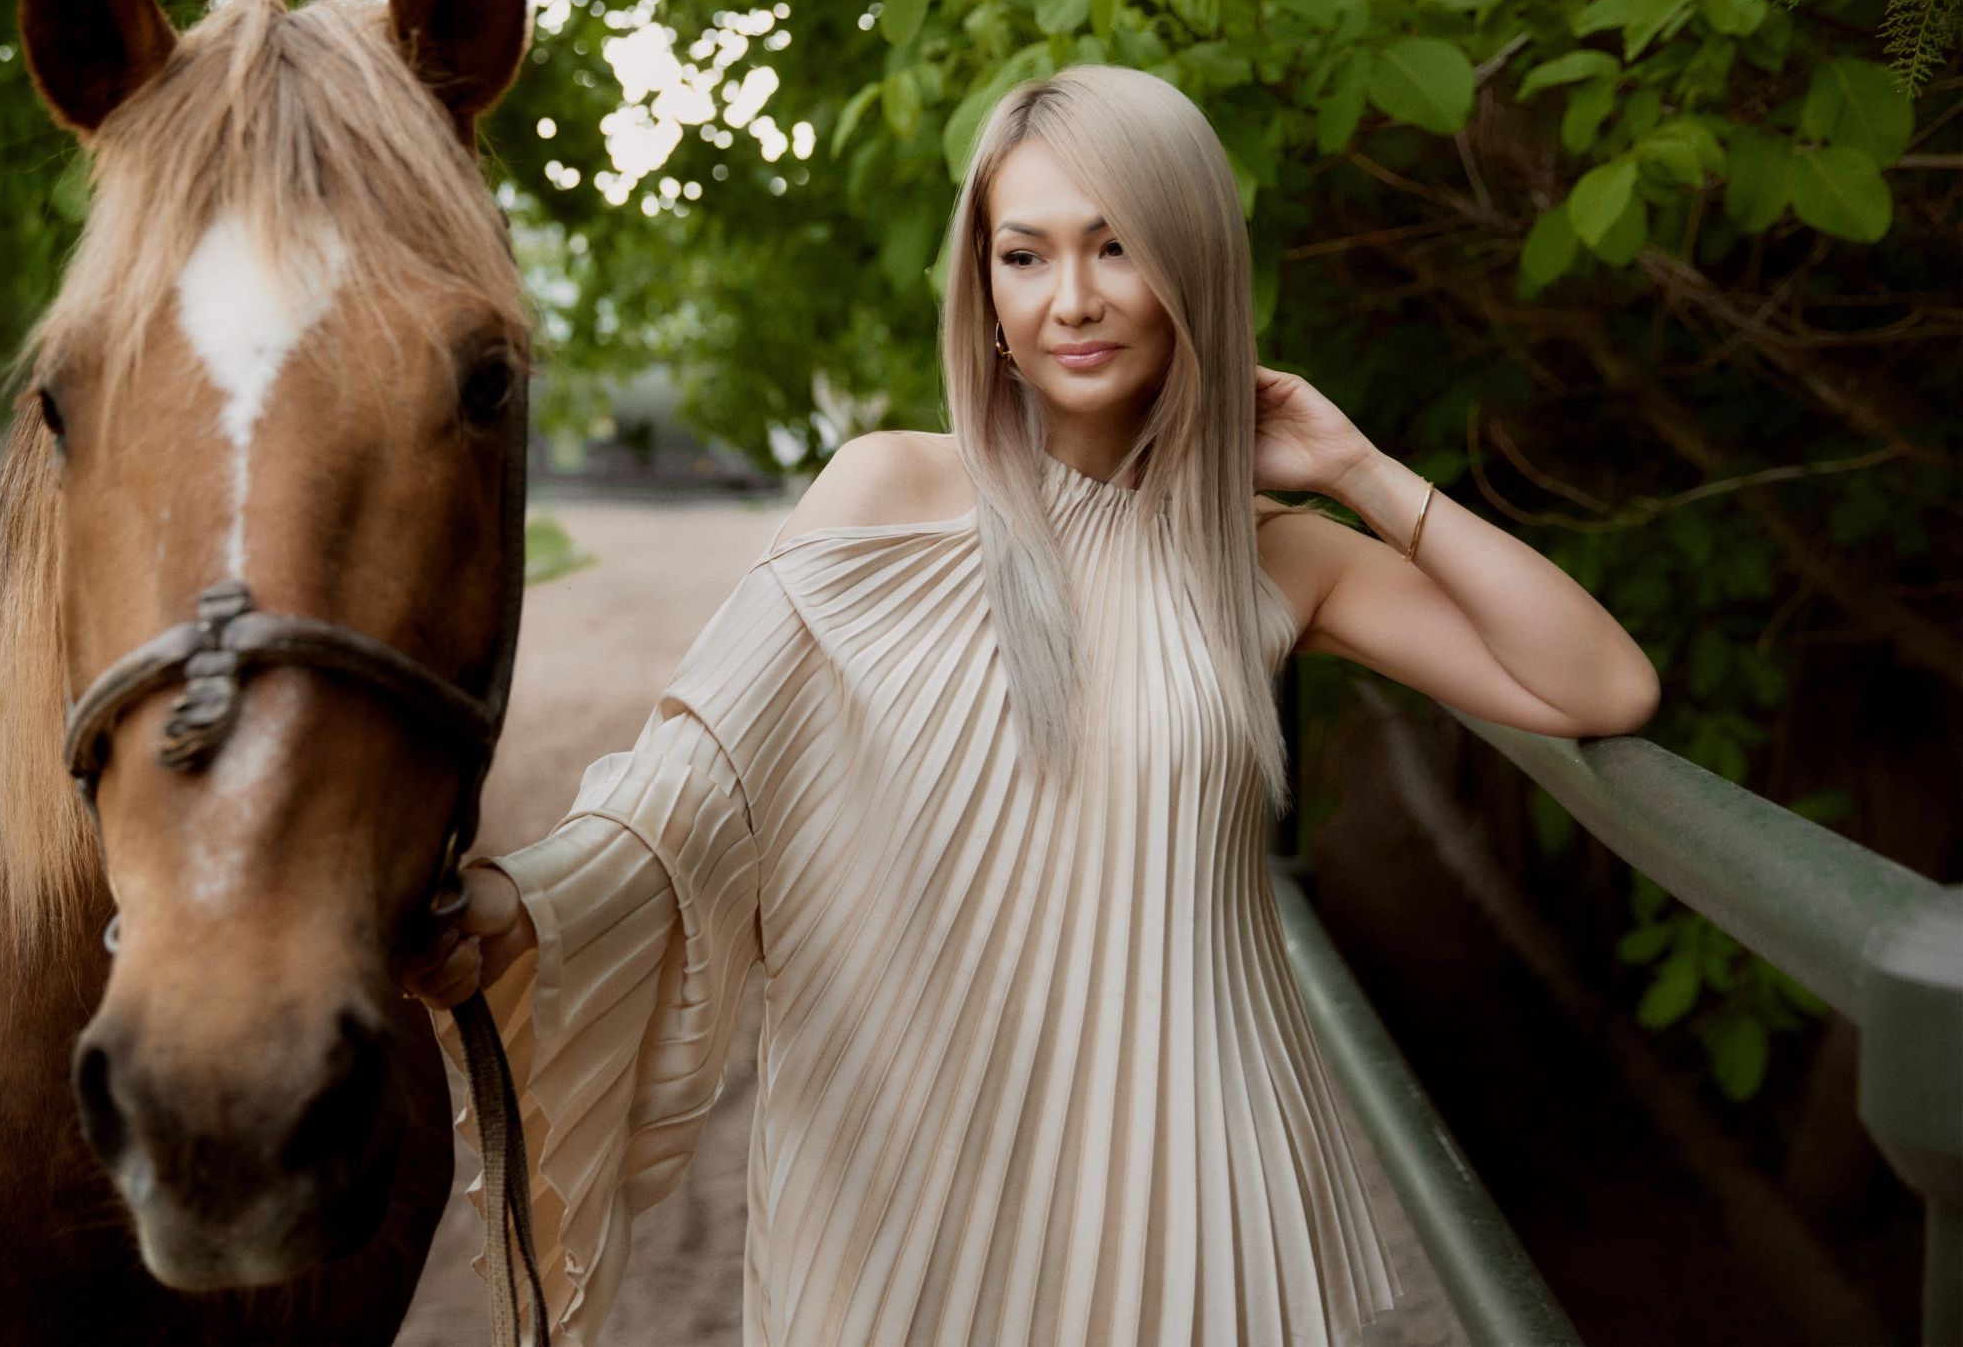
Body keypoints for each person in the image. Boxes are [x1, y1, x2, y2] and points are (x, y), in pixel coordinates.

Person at [402, 65, 1658, 1345]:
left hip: (1192, 1178)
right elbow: (694, 781)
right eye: (1025, 253)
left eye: (1117, 246)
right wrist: (529, 904)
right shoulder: (881, 494)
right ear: (984, 292)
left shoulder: (1274, 555)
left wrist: (1357, 468)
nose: (1072, 299)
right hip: (903, 1174)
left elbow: (1595, 682)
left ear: (1195, 271)